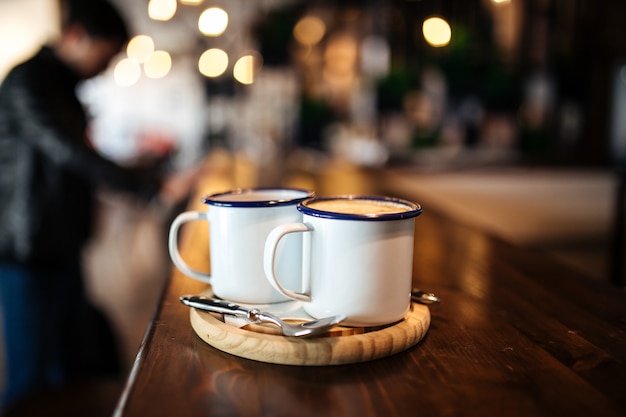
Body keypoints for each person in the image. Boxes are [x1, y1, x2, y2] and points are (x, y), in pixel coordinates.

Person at [0, 0, 181, 410]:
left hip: (61, 242)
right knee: (30, 377)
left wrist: (148, 183)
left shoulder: (61, 85)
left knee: (73, 363)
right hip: (25, 247)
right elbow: (68, 151)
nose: (108, 64)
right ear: (77, 36)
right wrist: (149, 188)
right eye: (108, 52)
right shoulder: (27, 80)